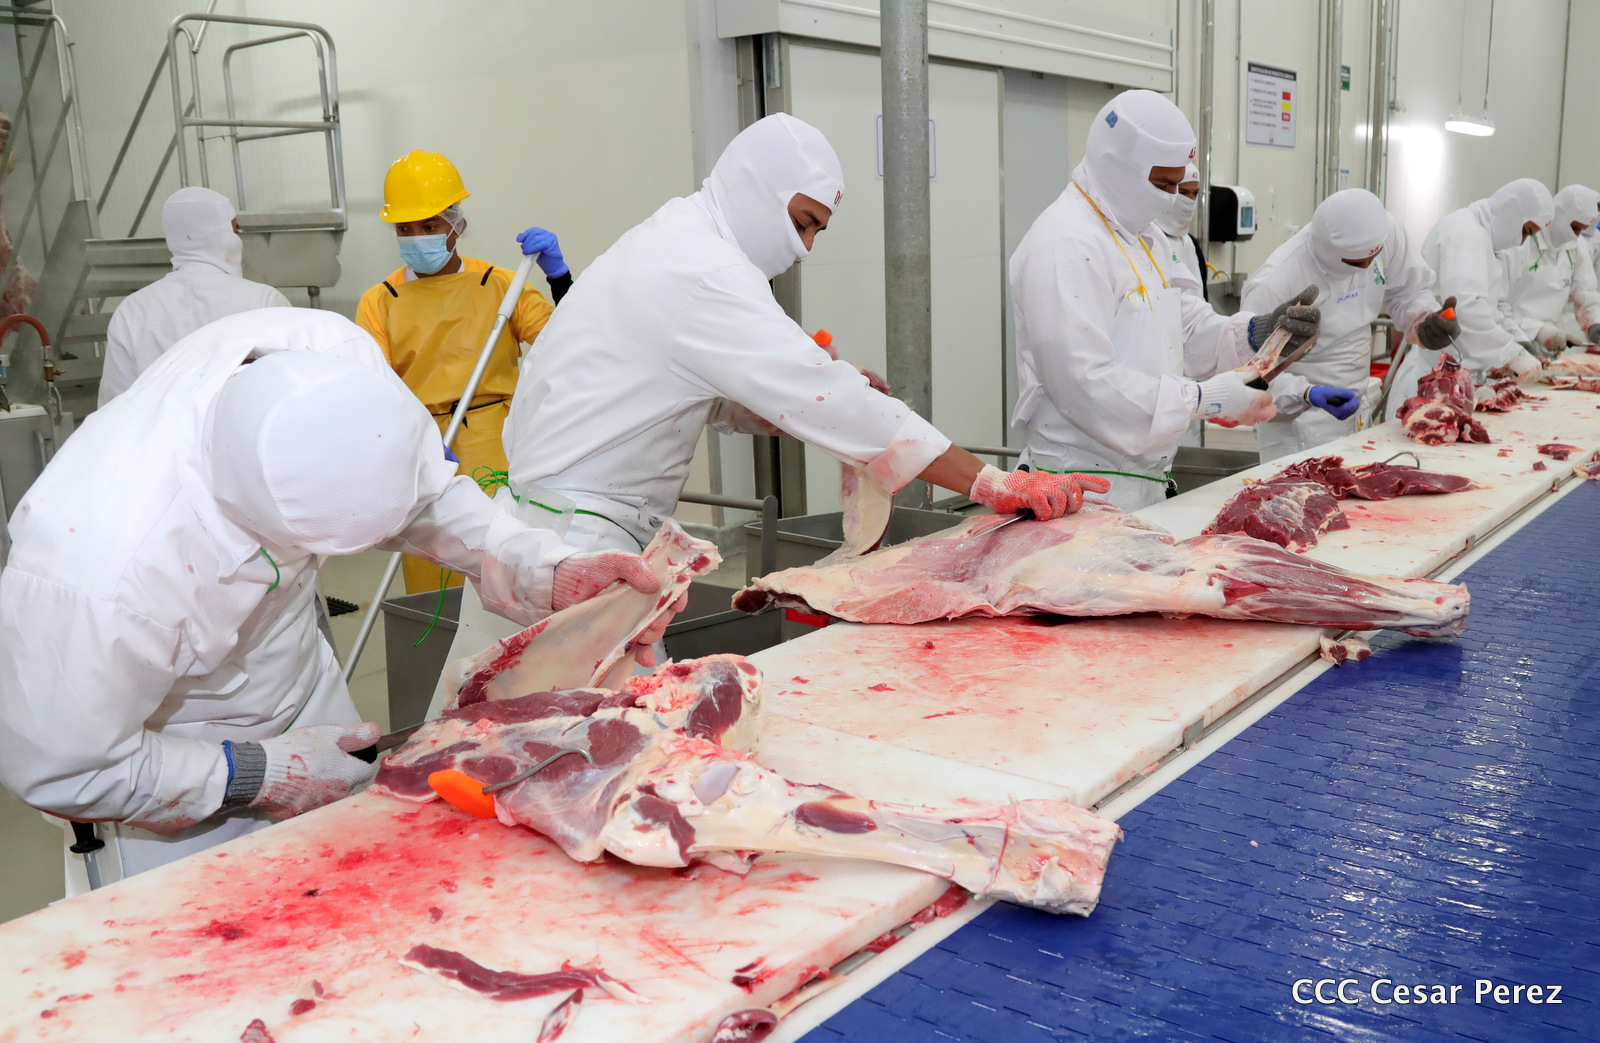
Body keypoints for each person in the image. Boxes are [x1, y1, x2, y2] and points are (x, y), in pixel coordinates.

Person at [0, 309, 668, 891]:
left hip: (299, 681)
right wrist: (257, 774)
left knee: (370, 897)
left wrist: (543, 568)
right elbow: (67, 765)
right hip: (169, 753)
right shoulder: (96, 567)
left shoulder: (333, 360)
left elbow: (422, 495)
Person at [497, 112, 1104, 570]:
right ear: (755, 187)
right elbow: (835, 403)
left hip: (554, 529)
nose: (804, 247)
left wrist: (787, 402)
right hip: (574, 543)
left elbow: (697, 394)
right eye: (801, 222)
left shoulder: (673, 236)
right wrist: (991, 482)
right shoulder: (705, 269)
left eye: (817, 231)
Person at [1009, 90, 1320, 510]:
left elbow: (1182, 325)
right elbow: (1084, 383)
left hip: (1143, 479)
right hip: (1076, 489)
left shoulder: (1144, 236)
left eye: (1178, 184)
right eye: (1162, 184)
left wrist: (1255, 333)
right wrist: (1201, 399)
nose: (1172, 199)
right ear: (1116, 166)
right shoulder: (1065, 243)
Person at [356, 150, 571, 595]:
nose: (416, 238)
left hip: (497, 441)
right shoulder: (380, 300)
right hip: (423, 448)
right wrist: (401, 442)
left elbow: (571, 342)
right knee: (433, 573)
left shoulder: (500, 285)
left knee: (506, 562)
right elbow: (370, 388)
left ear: (457, 225)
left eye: (429, 225)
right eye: (405, 229)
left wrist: (560, 278)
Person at [1242, 189, 1456, 461]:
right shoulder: (1276, 282)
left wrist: (1424, 319)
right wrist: (1307, 393)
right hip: (1295, 423)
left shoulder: (1384, 232)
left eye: (1373, 258)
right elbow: (1249, 374)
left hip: (1357, 405)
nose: (1367, 266)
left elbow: (1409, 290)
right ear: (1329, 251)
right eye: (1356, 263)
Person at [98, 187, 288, 405]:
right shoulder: (264, 302)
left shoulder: (132, 310)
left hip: (162, 427)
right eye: (234, 230)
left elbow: (114, 403)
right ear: (220, 235)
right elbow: (286, 390)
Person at [1391, 178, 1553, 417]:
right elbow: (1465, 310)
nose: (1521, 241)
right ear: (1511, 210)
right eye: (1525, 231)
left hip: (1455, 381)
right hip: (1432, 381)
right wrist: (1511, 353)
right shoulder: (1465, 234)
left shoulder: (1482, 238)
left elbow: (1491, 309)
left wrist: (1518, 341)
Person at [1502, 183, 1600, 353]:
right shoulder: (1523, 240)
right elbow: (1498, 305)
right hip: (1515, 339)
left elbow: (1586, 291)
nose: (1576, 235)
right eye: (1574, 228)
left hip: (1554, 345)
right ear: (1560, 214)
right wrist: (1537, 331)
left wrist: (1593, 323)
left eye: (1582, 230)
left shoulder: (1577, 245)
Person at [1154, 163, 1208, 300]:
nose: (1191, 200)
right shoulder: (1148, 238)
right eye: (1183, 193)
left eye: (1195, 193)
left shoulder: (1191, 243)